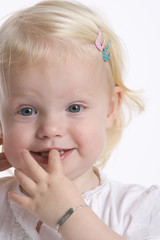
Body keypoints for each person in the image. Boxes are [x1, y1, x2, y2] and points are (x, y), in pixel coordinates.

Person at [0, 1, 159, 239]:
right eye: (27, 111)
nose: (50, 130)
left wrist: (70, 215)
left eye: (74, 107)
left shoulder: (140, 209)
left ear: (110, 109)